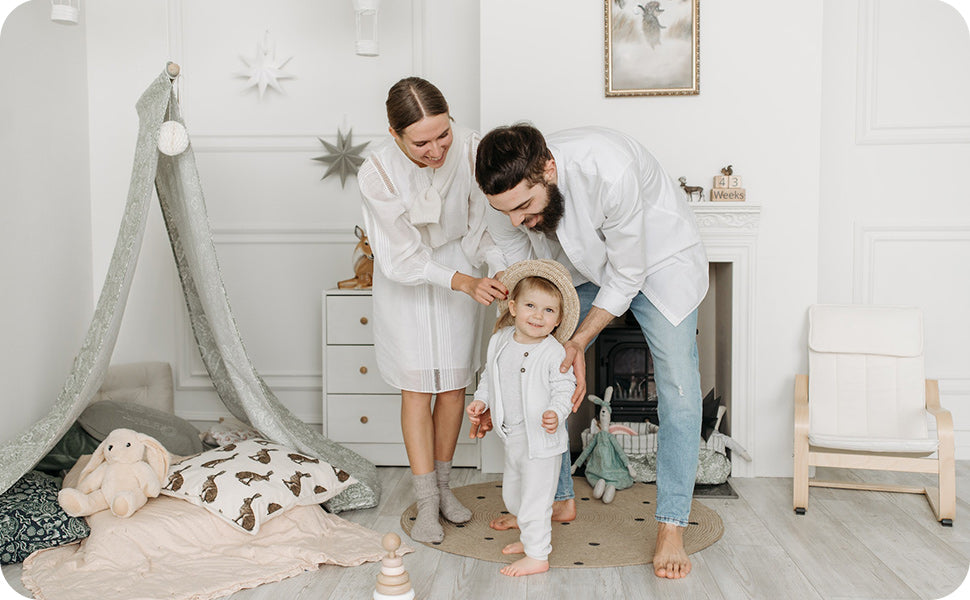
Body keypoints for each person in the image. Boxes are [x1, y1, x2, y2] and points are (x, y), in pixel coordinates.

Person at [474, 124, 709, 579]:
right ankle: (556, 499)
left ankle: (671, 524)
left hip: (659, 262)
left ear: (548, 168)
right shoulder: (504, 198)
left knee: (680, 391)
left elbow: (628, 273)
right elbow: (520, 264)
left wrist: (580, 338)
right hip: (578, 265)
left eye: (524, 206)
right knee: (549, 367)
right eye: (507, 212)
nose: (517, 220)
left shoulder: (609, 170)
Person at [356, 77, 507, 543]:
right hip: (408, 286)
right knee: (418, 389)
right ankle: (424, 503)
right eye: (421, 142)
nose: (437, 149)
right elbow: (400, 257)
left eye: (443, 134)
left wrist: (502, 274)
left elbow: (484, 230)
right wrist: (460, 281)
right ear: (394, 132)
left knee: (454, 387)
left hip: (464, 271)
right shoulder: (376, 173)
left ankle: (444, 491)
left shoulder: (471, 150)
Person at [466, 259, 578, 577]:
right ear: (513, 307)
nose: (538, 316)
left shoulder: (552, 351)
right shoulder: (500, 342)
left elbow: (564, 388)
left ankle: (538, 555)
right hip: (513, 436)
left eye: (548, 311)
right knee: (514, 495)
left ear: (557, 319)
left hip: (542, 442)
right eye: (531, 306)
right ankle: (530, 540)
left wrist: (556, 413)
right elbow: (489, 377)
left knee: (535, 500)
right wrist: (481, 400)